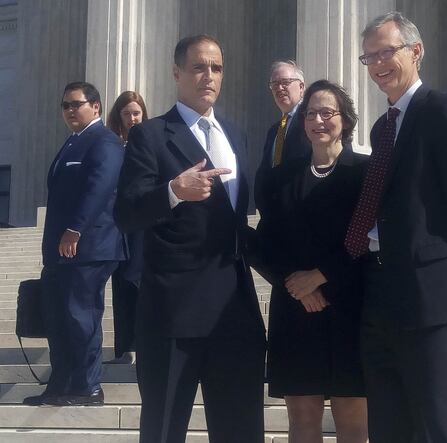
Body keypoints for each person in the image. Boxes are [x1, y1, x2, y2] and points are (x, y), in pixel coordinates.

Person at [345, 12, 447, 442]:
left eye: (386, 52)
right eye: (368, 57)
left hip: (431, 298)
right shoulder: (381, 127)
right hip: (380, 295)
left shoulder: (442, 110)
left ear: (416, 51)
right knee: (391, 424)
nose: (377, 64)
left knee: (443, 423)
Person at [114, 35, 266, 443]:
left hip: (234, 312)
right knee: (164, 430)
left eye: (216, 67)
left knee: (241, 429)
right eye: (199, 67)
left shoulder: (235, 135)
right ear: (177, 73)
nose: (209, 76)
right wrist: (172, 191)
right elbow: (126, 213)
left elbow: (235, 225)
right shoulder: (150, 135)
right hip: (173, 314)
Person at [256, 80, 368, 443]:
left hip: (351, 307)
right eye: (310, 114)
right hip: (296, 311)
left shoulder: (364, 174)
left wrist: (321, 276)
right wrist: (295, 282)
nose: (318, 120)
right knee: (302, 419)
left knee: (352, 420)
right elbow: (264, 242)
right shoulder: (282, 177)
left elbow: (371, 240)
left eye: (327, 112)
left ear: (346, 121)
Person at [24, 81, 125, 406]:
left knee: (80, 314)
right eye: (65, 105)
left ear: (95, 106)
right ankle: (60, 385)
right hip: (60, 252)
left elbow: (99, 188)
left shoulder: (104, 142)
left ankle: (87, 386)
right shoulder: (72, 143)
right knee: (58, 317)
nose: (69, 110)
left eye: (76, 104)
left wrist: (75, 230)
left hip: (89, 246)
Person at [104, 91, 149, 364]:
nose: (132, 118)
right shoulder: (113, 148)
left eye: (136, 113)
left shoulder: (153, 144)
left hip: (144, 227)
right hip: (120, 227)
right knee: (121, 284)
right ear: (118, 118)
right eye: (127, 114)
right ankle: (124, 348)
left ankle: (145, 344)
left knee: (140, 283)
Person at [254, 60, 311, 210]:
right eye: (274, 84)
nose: (279, 88)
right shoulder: (275, 130)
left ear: (301, 87)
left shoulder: (313, 120)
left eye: (285, 82)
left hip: (302, 213)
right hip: (274, 217)